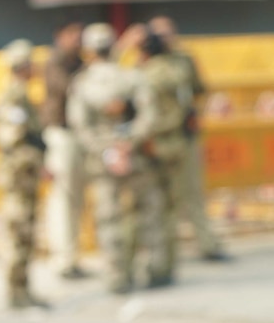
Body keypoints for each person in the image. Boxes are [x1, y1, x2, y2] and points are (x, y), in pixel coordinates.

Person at [67, 24, 161, 293]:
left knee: (109, 218)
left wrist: (107, 150)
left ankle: (117, 275)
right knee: (144, 214)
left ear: (88, 50)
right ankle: (151, 269)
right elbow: (149, 115)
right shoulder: (132, 77)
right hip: (135, 157)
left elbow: (80, 126)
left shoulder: (82, 83)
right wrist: (128, 144)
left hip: (103, 161)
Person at [149, 15, 229, 262]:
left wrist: (196, 114)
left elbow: (198, 89)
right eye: (159, 34)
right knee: (163, 196)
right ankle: (165, 250)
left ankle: (206, 244)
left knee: (193, 190)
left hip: (185, 133)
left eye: (168, 33)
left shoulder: (184, 60)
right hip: (159, 137)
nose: (165, 39)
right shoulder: (146, 63)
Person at [0, 39, 48, 309]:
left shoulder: (21, 94)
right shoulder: (13, 96)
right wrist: (36, 159)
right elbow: (12, 140)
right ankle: (15, 292)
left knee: (26, 234)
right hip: (19, 176)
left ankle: (23, 289)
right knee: (18, 233)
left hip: (25, 175)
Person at [134, 30, 190, 288]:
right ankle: (169, 266)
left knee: (152, 210)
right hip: (176, 144)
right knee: (171, 209)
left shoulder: (145, 77)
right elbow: (187, 106)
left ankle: (156, 268)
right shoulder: (177, 73)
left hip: (153, 147)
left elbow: (147, 115)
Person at [40, 20, 88, 279]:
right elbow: (72, 88)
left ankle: (71, 255)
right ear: (59, 36)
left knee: (75, 198)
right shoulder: (55, 62)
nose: (77, 38)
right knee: (63, 198)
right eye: (72, 33)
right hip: (61, 135)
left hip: (77, 135)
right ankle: (63, 260)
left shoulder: (81, 62)